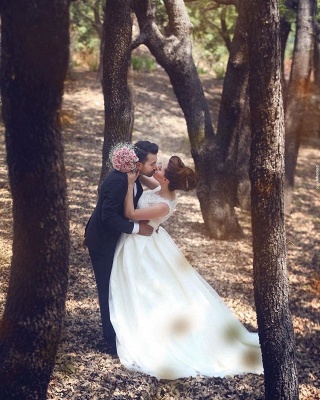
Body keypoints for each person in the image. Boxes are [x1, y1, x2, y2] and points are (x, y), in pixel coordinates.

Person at [109, 155, 263, 379]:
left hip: (143, 245)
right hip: (150, 241)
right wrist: (133, 164)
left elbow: (131, 214)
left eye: (159, 169)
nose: (157, 169)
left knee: (143, 284)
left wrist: (130, 183)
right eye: (157, 166)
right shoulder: (162, 188)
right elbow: (146, 178)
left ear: (167, 181)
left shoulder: (163, 205)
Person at [84, 141, 158, 355]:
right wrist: (136, 229)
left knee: (118, 286)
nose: (154, 167)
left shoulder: (134, 177)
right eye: (152, 163)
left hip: (115, 239)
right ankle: (111, 341)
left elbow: (155, 187)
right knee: (107, 289)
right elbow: (108, 218)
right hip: (102, 242)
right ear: (138, 163)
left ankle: (121, 331)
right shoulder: (117, 181)